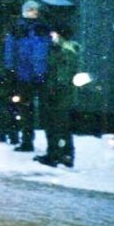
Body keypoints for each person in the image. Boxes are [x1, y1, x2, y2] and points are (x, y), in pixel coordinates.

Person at [3, 0, 50, 152]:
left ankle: (51, 143)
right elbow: (9, 50)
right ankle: (26, 141)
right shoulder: (17, 29)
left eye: (35, 9)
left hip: (42, 74)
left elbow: (48, 49)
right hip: (23, 75)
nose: (33, 12)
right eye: (30, 9)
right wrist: (10, 69)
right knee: (25, 109)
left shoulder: (43, 28)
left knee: (45, 110)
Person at [35, 28, 81, 168]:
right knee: (62, 126)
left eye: (54, 33)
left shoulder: (63, 52)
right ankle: (66, 155)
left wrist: (51, 92)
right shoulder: (68, 51)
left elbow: (60, 76)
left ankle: (55, 155)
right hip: (64, 95)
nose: (51, 35)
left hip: (58, 95)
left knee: (55, 125)